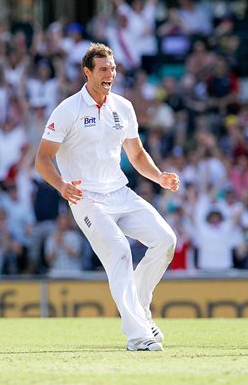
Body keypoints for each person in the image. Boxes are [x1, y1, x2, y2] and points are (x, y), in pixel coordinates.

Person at [35, 43, 178, 352]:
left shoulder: (123, 107)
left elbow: (137, 154)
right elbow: (42, 159)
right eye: (103, 69)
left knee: (166, 240)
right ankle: (138, 334)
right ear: (87, 72)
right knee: (119, 252)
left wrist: (159, 177)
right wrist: (61, 185)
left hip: (120, 192)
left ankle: (140, 307)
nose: (110, 74)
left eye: (112, 68)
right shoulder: (68, 109)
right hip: (86, 198)